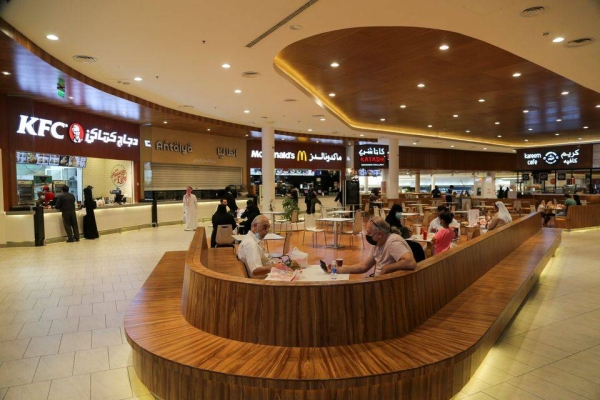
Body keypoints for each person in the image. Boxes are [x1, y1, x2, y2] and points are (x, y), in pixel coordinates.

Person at [332, 217, 416, 277]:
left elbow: (410, 262)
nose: (367, 235)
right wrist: (339, 269)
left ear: (379, 234)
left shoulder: (393, 242)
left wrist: (386, 268)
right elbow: (364, 266)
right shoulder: (378, 243)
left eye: (369, 233)